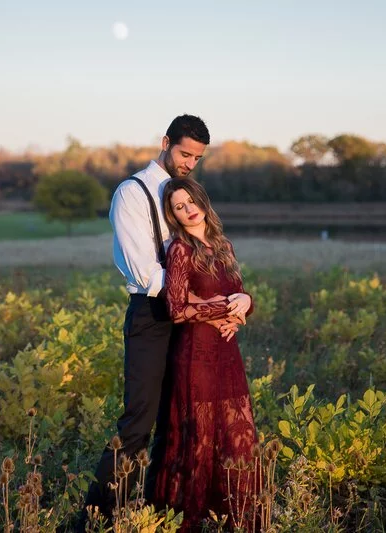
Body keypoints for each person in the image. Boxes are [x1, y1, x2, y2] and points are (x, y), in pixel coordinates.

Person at [79, 115, 241, 527]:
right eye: (185, 153)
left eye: (197, 158)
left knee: (179, 421)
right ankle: (94, 520)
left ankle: (160, 513)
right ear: (165, 142)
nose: (189, 163)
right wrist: (210, 303)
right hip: (152, 316)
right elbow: (145, 272)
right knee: (139, 422)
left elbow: (212, 258)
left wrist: (233, 305)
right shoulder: (132, 192)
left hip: (192, 323)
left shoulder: (186, 195)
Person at [153, 178, 259, 531]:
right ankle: (187, 523)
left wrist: (246, 304)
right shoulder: (180, 250)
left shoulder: (223, 245)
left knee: (236, 435)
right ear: (174, 215)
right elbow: (177, 309)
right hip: (195, 355)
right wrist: (219, 313)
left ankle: (237, 520)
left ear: (202, 200)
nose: (188, 209)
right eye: (179, 207)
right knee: (198, 439)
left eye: (191, 201)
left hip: (228, 354)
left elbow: (238, 294)